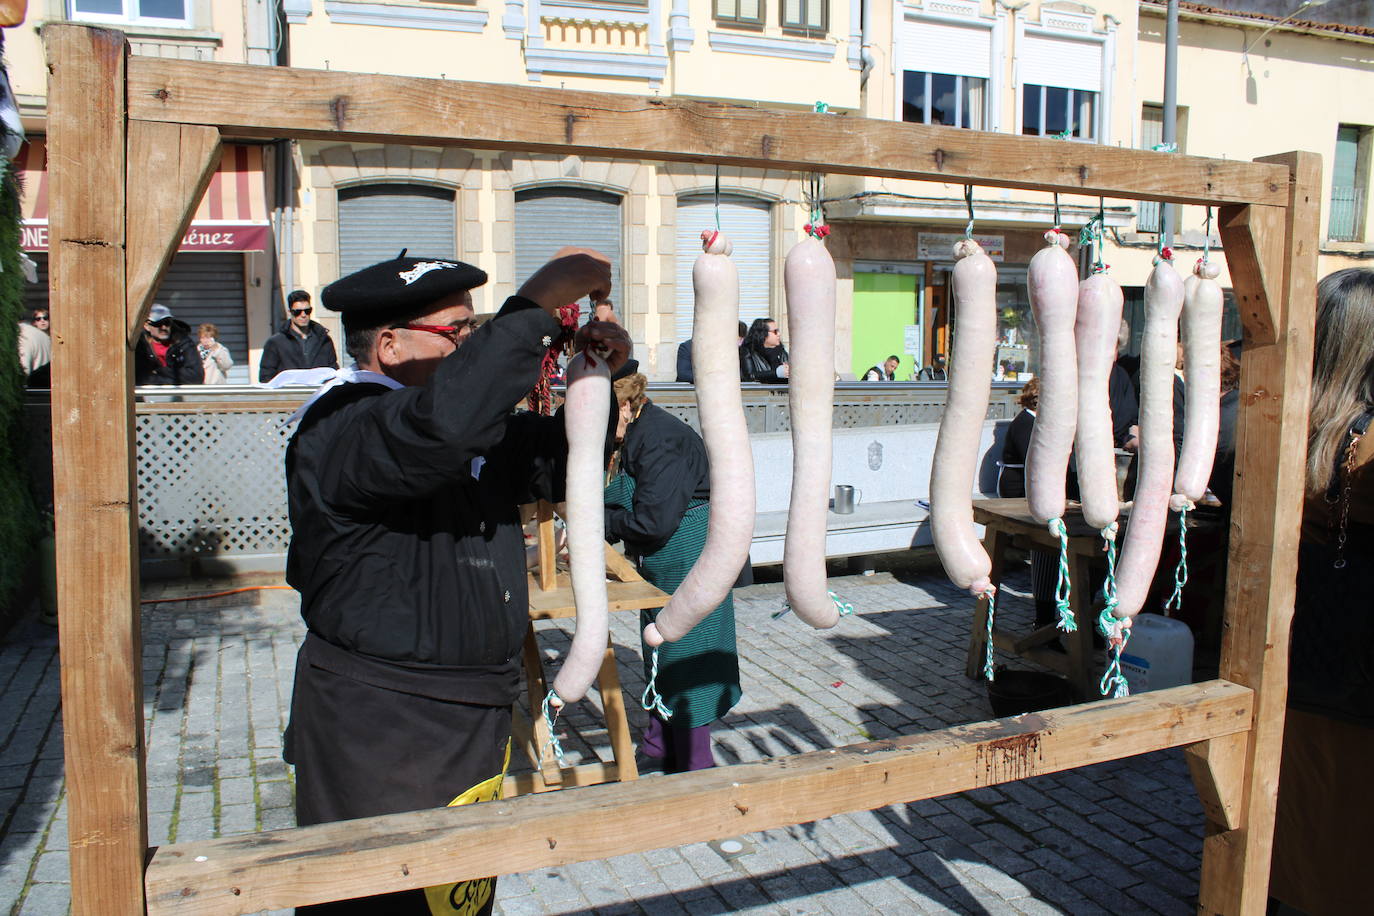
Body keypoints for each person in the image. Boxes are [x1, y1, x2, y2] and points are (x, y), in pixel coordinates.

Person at [281, 249, 628, 915]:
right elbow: (443, 426)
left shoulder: (464, 430)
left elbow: (558, 465)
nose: (472, 347)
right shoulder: (344, 426)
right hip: (384, 734)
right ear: (388, 345)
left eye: (476, 332)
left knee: (460, 902)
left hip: (470, 719)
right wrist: (533, 307)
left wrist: (602, 372)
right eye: (459, 334)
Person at [1271, 268, 1374, 915]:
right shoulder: (1364, 443)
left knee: (1297, 823)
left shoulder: (1281, 423)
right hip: (1357, 677)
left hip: (1290, 657)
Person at [603, 372, 741, 773]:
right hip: (660, 561)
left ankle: (696, 762)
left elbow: (654, 521)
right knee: (659, 650)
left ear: (627, 406)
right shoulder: (634, 432)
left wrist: (599, 524)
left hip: (689, 557)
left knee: (686, 654)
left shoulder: (661, 438)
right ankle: (658, 746)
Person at [258, 289, 339, 383]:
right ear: (290, 312)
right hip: (290, 396)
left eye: (307, 311)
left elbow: (334, 372)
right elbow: (266, 378)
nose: (303, 315)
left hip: (320, 395)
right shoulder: (275, 343)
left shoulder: (324, 339)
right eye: (298, 312)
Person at [135, 303, 204, 385]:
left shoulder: (183, 343)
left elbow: (196, 377)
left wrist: (160, 370)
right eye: (158, 323)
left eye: (167, 322)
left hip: (183, 396)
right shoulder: (140, 346)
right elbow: (140, 378)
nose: (163, 327)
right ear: (147, 326)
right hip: (148, 396)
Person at [997, 377, 1038, 499]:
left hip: (1024, 481)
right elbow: (1028, 456)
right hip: (1017, 485)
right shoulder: (1026, 422)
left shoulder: (1030, 420)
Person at [678, 321, 746, 384]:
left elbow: (741, 374)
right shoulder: (688, 347)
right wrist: (714, 377)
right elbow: (684, 374)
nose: (739, 343)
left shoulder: (735, 349)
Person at [739, 317, 789, 383]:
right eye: (775, 331)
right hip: (760, 392)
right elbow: (749, 376)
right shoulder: (748, 351)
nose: (778, 334)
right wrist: (776, 373)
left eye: (778, 331)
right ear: (763, 334)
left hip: (781, 392)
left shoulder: (781, 352)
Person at [17, 308, 51, 388]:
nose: (42, 321)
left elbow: (24, 369)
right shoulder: (44, 338)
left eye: (45, 318)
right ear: (34, 322)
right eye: (38, 319)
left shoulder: (23, 335)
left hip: (35, 389)